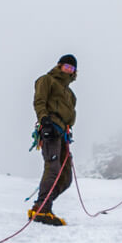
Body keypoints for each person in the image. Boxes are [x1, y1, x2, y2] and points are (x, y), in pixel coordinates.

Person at [30, 55, 77, 226]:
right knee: (53, 167)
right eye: (67, 66)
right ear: (59, 66)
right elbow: (39, 101)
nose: (69, 70)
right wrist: (44, 120)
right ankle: (42, 208)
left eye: (72, 68)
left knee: (66, 178)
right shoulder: (46, 80)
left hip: (63, 133)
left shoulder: (70, 94)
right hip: (50, 127)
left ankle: (41, 204)